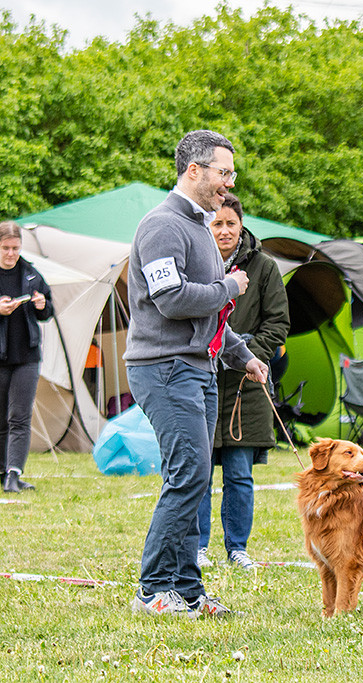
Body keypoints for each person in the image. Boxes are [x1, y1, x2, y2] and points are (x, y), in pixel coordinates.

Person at [124, 130, 268, 617]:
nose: (230, 183)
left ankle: (187, 589)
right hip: (165, 368)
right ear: (194, 171)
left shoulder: (200, 228)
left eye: (232, 173)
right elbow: (171, 300)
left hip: (198, 369)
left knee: (195, 475)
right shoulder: (162, 226)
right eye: (224, 172)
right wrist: (228, 286)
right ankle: (152, 589)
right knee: (189, 474)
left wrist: (242, 355)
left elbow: (210, 319)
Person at [197, 193, 289, 570]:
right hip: (201, 376)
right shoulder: (196, 261)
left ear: (241, 225)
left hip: (246, 383)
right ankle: (197, 548)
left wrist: (250, 354)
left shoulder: (265, 267)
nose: (224, 230)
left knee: (239, 473)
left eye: (230, 223)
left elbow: (278, 323)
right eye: (217, 223)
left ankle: (237, 548)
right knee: (199, 472)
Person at [0, 222, 53, 494]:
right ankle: (2, 471)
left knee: (19, 417)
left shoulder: (31, 273)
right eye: (6, 248)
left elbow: (47, 310)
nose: (11, 254)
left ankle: (14, 475)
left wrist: (43, 305)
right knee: (1, 418)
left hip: (27, 357)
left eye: (15, 248)